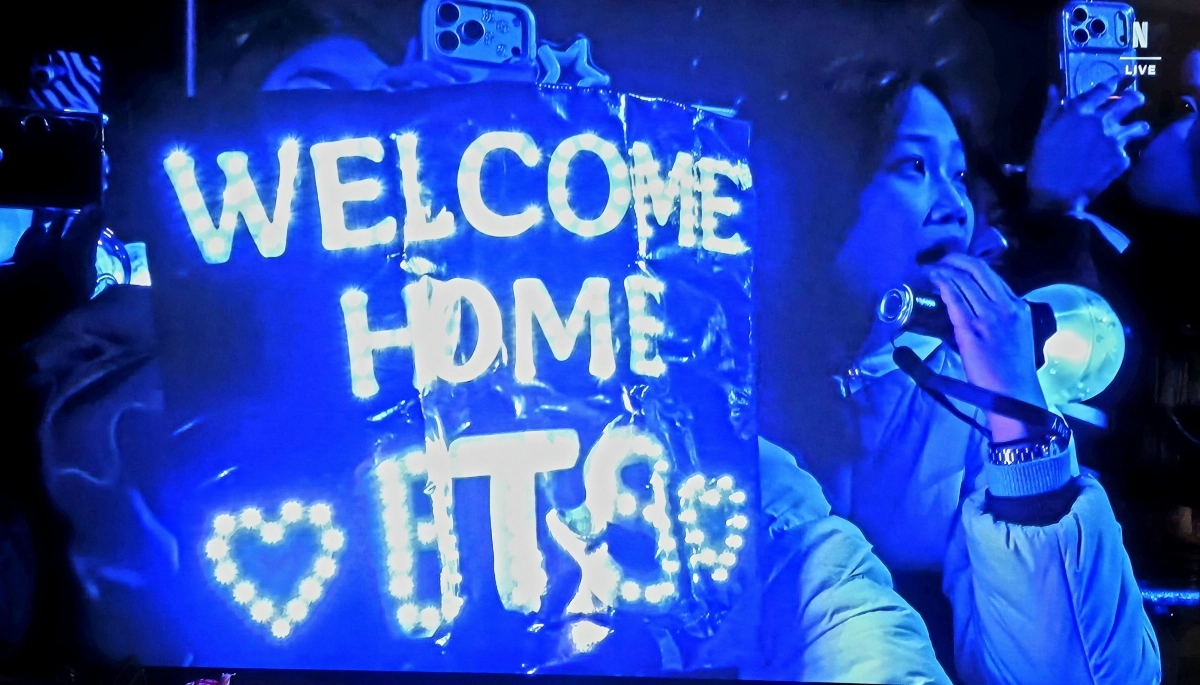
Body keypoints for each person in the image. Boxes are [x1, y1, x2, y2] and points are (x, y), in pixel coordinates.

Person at [18, 8, 954, 682]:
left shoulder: (677, 439)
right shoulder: (121, 422)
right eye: (313, 115)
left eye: (398, 111)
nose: (378, 140)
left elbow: (833, 600)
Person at [759, 62, 1162, 683]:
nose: (953, 208)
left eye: (957, 175)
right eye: (913, 165)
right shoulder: (712, 365)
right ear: (816, 186)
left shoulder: (968, 398)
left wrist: (1019, 418)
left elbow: (1082, 673)